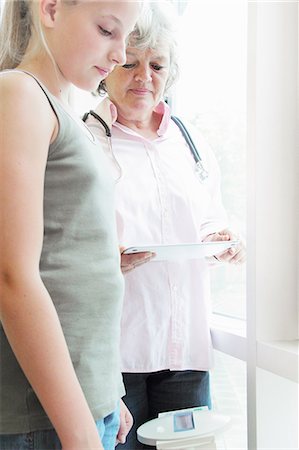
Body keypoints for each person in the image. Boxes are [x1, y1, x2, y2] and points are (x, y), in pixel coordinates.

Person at [85, 2, 246, 449]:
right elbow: (65, 244)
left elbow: (210, 214)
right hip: (118, 353)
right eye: (131, 63)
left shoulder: (190, 144)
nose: (144, 77)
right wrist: (104, 259)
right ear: (108, 66)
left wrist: (220, 238)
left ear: (170, 73)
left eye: (156, 65)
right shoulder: (85, 140)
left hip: (185, 354)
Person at [0, 1, 144, 449]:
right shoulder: (19, 94)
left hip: (81, 404)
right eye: (107, 29)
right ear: (51, 9)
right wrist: (79, 432)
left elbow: (74, 266)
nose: (121, 54)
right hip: (45, 418)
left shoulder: (66, 112)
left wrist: (104, 391)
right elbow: (12, 276)